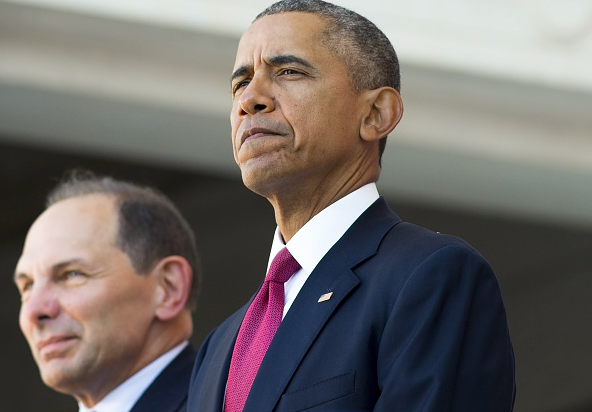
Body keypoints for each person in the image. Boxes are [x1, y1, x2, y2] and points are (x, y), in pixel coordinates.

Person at [187, 1, 515, 411]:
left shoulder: (431, 276)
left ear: (377, 113)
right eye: (239, 83)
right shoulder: (221, 345)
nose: (249, 100)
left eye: (288, 71)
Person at [14, 171, 201, 412]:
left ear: (168, 287)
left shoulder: (227, 403)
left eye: (71, 274)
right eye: (27, 286)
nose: (33, 311)